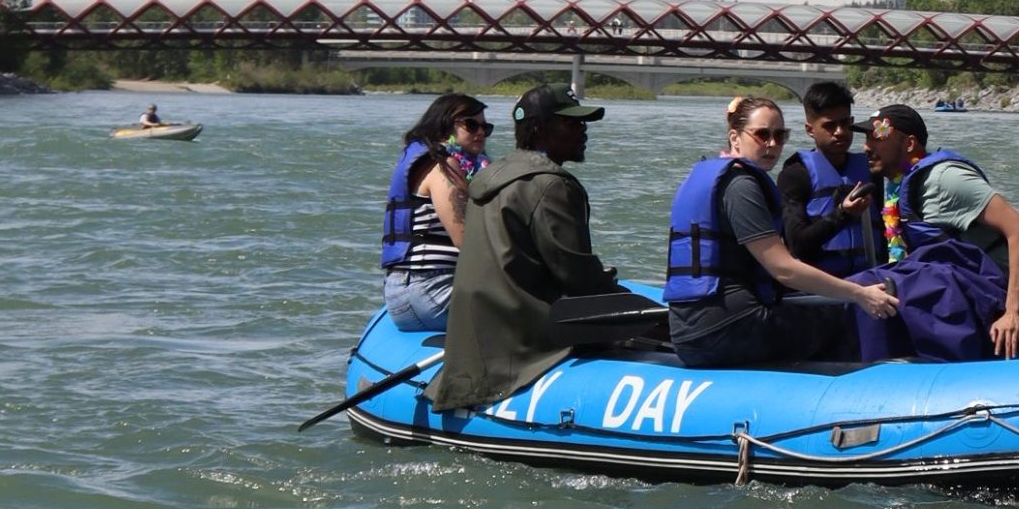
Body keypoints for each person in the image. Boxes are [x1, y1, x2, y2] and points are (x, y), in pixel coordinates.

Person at [425, 83, 622, 411]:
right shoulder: (552, 185)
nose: (583, 130)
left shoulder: (491, 176)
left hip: (479, 337)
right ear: (541, 128)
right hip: (524, 343)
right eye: (571, 123)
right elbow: (579, 278)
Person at [665, 96, 898, 368]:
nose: (772, 144)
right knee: (843, 319)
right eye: (762, 135)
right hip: (728, 329)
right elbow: (784, 269)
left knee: (809, 309)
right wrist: (860, 293)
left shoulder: (708, 176)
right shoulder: (741, 188)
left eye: (780, 135)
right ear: (735, 137)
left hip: (689, 333)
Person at [860, 103, 1019, 358]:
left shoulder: (946, 178)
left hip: (994, 308)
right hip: (953, 302)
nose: (867, 147)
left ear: (909, 144)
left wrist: (1013, 313)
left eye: (878, 137)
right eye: (866, 139)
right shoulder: (896, 185)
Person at [379, 92, 487, 331]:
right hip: (430, 289)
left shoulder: (447, 163)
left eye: (485, 127)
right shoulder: (444, 166)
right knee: (530, 312)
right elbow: (466, 240)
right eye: (471, 124)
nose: (480, 132)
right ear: (444, 126)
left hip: (406, 291)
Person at [777, 80, 881, 276]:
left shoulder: (871, 170)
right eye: (829, 126)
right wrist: (843, 213)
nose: (840, 132)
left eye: (845, 123)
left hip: (870, 283)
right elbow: (798, 245)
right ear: (810, 130)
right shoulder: (795, 175)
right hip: (819, 291)